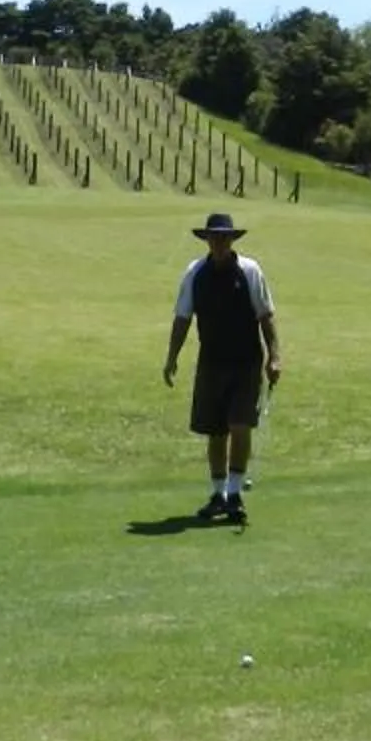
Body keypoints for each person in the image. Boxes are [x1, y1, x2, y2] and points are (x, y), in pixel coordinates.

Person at [163, 210, 281, 525]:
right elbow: (183, 317)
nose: (218, 242)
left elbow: (265, 315)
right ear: (206, 239)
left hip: (246, 362)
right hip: (211, 361)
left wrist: (274, 355)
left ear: (231, 240)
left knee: (240, 425)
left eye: (224, 237)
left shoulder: (250, 271)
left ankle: (234, 493)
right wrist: (172, 356)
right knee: (216, 431)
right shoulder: (195, 273)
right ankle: (219, 494)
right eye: (213, 236)